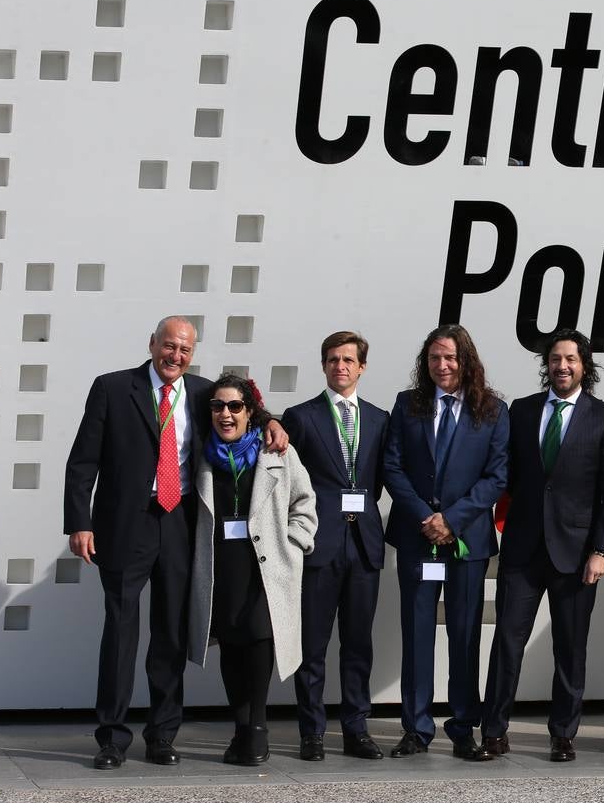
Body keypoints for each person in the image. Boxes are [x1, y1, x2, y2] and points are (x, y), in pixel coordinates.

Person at [63, 316, 287, 770]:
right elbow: (82, 460)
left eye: (185, 350)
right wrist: (79, 523)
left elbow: (244, 410)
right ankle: (111, 738)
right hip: (127, 525)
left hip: (180, 524)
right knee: (121, 631)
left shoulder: (203, 392)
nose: (176, 357)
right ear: (152, 344)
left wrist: (275, 424)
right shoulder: (111, 388)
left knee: (170, 632)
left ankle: (162, 734)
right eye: (169, 347)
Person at [480, 329, 604, 763]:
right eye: (555, 359)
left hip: (578, 555)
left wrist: (602, 551)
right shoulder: (521, 412)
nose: (562, 366)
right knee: (507, 643)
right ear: (546, 364)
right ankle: (494, 731)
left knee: (570, 648)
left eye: (571, 359)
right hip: (523, 550)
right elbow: (503, 473)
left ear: (585, 365)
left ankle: (563, 734)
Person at [383, 325, 508, 762]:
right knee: (416, 636)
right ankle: (415, 729)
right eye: (435, 358)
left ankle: (461, 728)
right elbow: (392, 467)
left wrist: (452, 520)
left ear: (466, 360)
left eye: (451, 357)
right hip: (417, 538)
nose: (442, 365)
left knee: (465, 635)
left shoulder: (492, 410)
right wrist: (426, 517)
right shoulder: (408, 404)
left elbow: (497, 476)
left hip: (467, 541)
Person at [188, 374, 317, 765]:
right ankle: (240, 726)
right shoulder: (199, 455)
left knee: (260, 638)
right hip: (221, 563)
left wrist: (294, 543)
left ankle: (257, 727)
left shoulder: (276, 452)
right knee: (231, 642)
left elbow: (305, 503)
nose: (225, 414)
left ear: (250, 412)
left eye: (234, 406)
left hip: (265, 563)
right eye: (217, 406)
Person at [282, 332, 389, 761]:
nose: (339, 366)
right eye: (332, 360)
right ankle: (311, 732)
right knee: (312, 646)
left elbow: (378, 479)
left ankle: (356, 729)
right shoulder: (301, 416)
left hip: (363, 543)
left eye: (348, 360)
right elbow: (287, 477)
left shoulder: (380, 419)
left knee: (358, 643)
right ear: (323, 366)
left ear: (361, 366)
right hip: (317, 546)